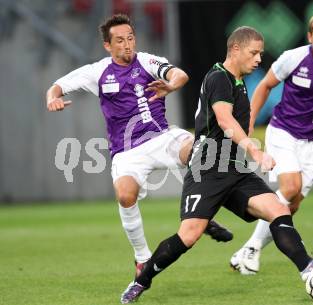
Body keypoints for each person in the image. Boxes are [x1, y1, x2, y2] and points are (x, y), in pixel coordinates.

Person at [120, 25, 313, 304]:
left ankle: (307, 267)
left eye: (260, 54)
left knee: (278, 209)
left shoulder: (238, 82)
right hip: (207, 168)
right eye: (254, 53)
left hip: (235, 169)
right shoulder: (218, 77)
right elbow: (225, 121)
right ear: (236, 49)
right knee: (189, 235)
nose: (259, 59)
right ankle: (140, 282)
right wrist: (254, 149)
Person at [45, 14, 233, 279]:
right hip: (127, 152)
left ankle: (200, 215)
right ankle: (142, 257)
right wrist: (52, 98)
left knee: (201, 153)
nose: (127, 45)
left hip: (161, 137)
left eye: (130, 38)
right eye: (120, 40)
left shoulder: (146, 61)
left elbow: (179, 74)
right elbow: (57, 86)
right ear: (108, 46)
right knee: (125, 196)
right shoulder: (97, 72)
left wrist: (170, 85)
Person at [230, 11, 313, 275]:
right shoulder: (293, 58)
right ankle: (253, 250)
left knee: (293, 203)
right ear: (310, 36)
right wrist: (251, 120)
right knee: (290, 187)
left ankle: (247, 250)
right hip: (283, 132)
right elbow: (265, 86)